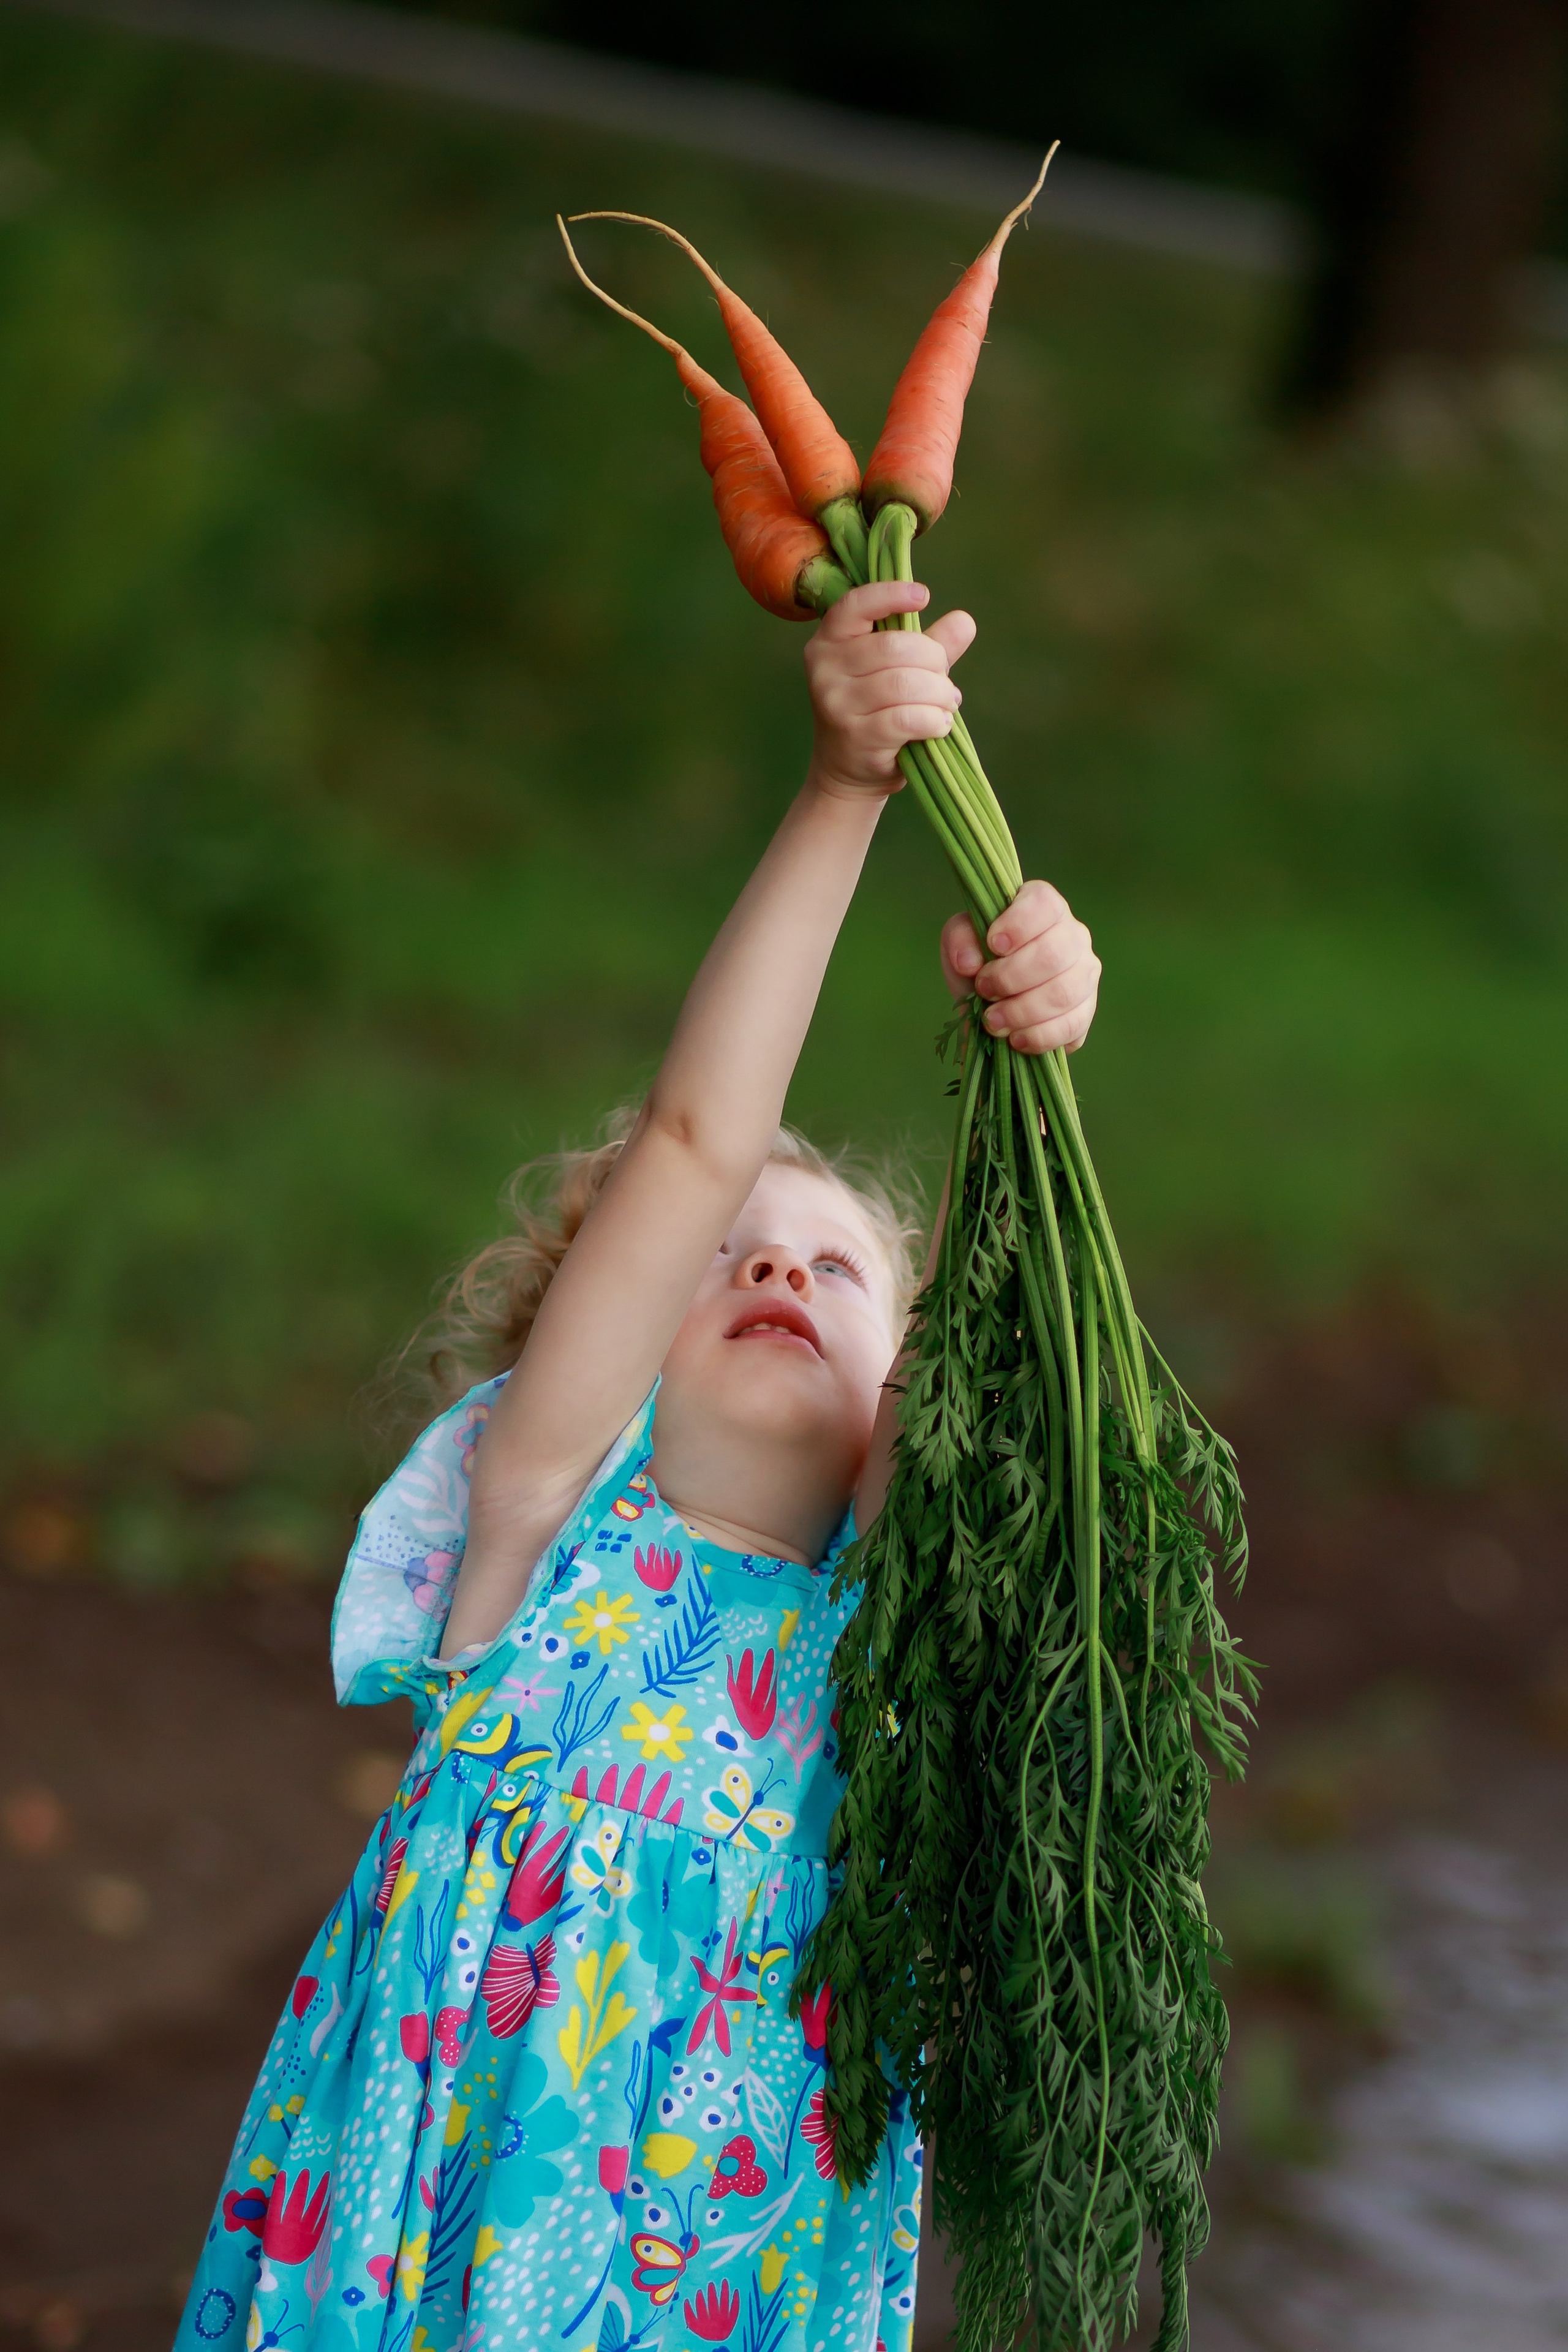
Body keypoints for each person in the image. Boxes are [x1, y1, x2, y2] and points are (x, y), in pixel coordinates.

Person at [174, 579, 1101, 2352]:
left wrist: (1036, 1057)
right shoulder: (544, 1523)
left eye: (839, 1273)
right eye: (726, 1258)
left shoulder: (897, 1657)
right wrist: (845, 793)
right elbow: (696, 1135)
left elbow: (1001, 1378)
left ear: (902, 1384)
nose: (774, 1270)